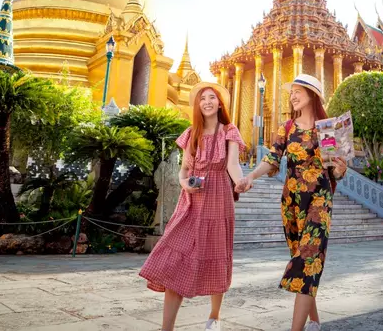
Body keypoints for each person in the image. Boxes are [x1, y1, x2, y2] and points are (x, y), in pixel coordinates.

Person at [236, 74, 348, 331]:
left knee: (310, 258)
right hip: (292, 202)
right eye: (292, 92)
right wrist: (251, 176)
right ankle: (315, 321)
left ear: (313, 95)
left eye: (298, 91)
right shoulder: (286, 128)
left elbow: (335, 171)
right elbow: (273, 159)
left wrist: (341, 170)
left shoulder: (327, 130)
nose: (293, 96)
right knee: (303, 259)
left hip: (319, 199)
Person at [139, 82, 246, 331]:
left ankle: (214, 316)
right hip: (192, 201)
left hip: (219, 197)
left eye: (212, 97)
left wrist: (240, 181)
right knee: (176, 255)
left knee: (217, 254)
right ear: (197, 105)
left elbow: (232, 164)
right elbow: (184, 170)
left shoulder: (229, 130)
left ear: (220, 103)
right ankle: (167, 328)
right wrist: (184, 184)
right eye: (202, 99)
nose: (207, 102)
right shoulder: (192, 133)